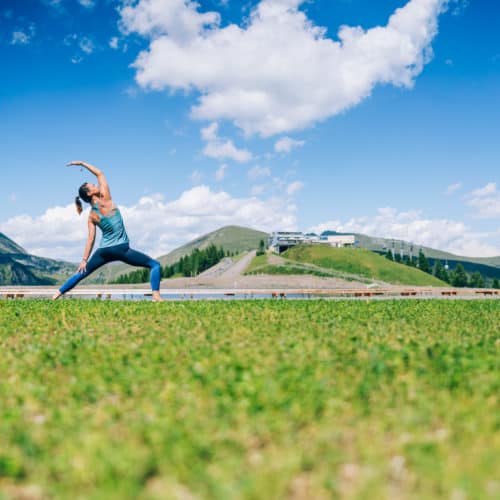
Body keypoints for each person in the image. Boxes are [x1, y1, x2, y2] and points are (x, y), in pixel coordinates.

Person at [53, 160, 162, 301]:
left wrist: (84, 260)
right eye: (92, 185)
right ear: (90, 193)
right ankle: (156, 296)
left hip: (104, 251)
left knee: (82, 273)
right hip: (121, 249)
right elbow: (100, 173)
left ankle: (56, 295)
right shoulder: (106, 197)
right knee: (154, 265)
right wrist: (82, 164)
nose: (95, 184)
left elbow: (91, 239)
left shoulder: (91, 215)